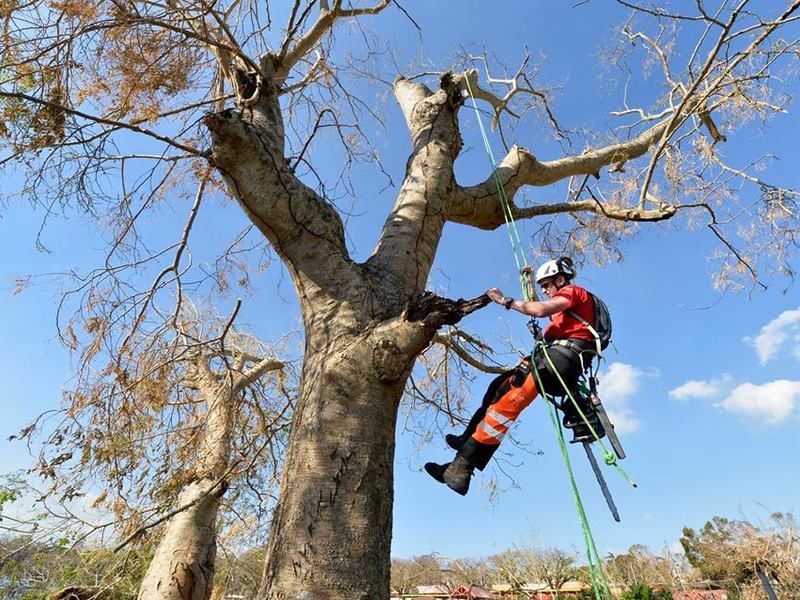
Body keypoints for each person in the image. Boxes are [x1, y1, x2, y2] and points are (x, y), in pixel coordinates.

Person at [424, 256, 604, 496]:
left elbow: (540, 310)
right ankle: (465, 443)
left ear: (561, 280)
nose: (544, 290)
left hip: (558, 361)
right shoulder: (569, 310)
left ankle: (461, 469)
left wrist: (504, 300)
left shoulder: (572, 292)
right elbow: (539, 305)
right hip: (555, 360)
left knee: (506, 404)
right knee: (497, 388)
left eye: (547, 285)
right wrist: (528, 282)